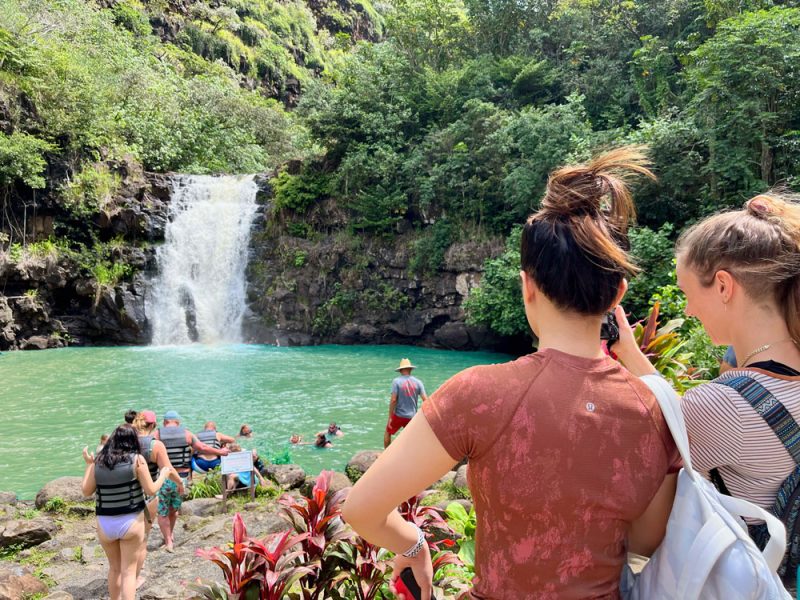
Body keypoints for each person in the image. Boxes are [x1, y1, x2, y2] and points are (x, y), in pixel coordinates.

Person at [342, 147, 681, 599]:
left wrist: (415, 543)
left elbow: (362, 510)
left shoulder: (480, 394)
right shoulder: (656, 409)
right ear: (617, 293)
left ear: (527, 286)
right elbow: (644, 541)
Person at [612, 192, 800, 587]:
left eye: (687, 293)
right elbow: (683, 411)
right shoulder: (754, 393)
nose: (690, 310)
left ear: (723, 286)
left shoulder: (723, 404)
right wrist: (628, 350)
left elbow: (637, 509)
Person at [81, 424, 173, 600]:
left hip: (105, 523)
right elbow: (151, 490)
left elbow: (86, 491)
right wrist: (163, 475)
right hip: (131, 522)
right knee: (128, 572)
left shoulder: (99, 461)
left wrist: (88, 465)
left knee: (114, 569)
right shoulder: (137, 460)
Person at [152, 410, 228, 551]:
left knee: (162, 511)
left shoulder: (157, 434)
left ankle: (168, 540)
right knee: (173, 509)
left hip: (164, 478)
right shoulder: (187, 434)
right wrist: (220, 452)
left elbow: (147, 449)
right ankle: (171, 534)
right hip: (182, 479)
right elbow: (203, 448)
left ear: (164, 422)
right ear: (178, 422)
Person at [131, 411, 183, 584]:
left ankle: (128, 569)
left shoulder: (126, 441)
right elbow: (167, 469)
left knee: (130, 536)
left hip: (126, 493)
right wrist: (180, 483)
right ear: (153, 425)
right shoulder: (155, 445)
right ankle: (136, 574)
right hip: (148, 495)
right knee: (143, 535)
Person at [384, 359, 428, 448]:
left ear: (400, 370)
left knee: (388, 433)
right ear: (410, 369)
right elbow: (426, 400)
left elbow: (393, 400)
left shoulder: (396, 381)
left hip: (398, 415)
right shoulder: (418, 382)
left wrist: (390, 417)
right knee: (412, 438)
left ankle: (385, 455)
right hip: (412, 416)